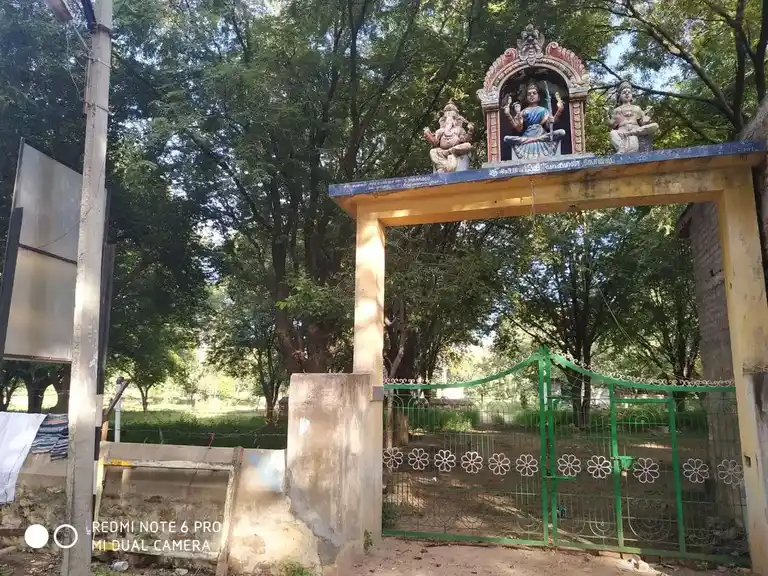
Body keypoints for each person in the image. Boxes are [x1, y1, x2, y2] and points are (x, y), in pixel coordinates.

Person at [503, 81, 565, 160]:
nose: (531, 95)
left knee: (561, 132)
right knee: (506, 138)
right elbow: (519, 129)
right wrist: (508, 114)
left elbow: (549, 126)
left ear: (539, 97)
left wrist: (558, 111)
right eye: (529, 94)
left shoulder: (543, 110)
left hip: (541, 135)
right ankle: (531, 140)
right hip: (526, 136)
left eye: (534, 93)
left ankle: (534, 140)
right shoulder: (523, 111)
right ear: (526, 97)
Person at [607, 81, 658, 154]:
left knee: (655, 125)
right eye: (624, 92)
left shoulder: (637, 108)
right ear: (620, 96)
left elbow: (643, 123)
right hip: (622, 132)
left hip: (635, 131)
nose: (627, 93)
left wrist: (649, 115)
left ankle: (629, 134)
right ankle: (621, 149)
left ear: (632, 96)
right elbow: (612, 124)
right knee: (612, 133)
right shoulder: (617, 110)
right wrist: (605, 115)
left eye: (629, 92)